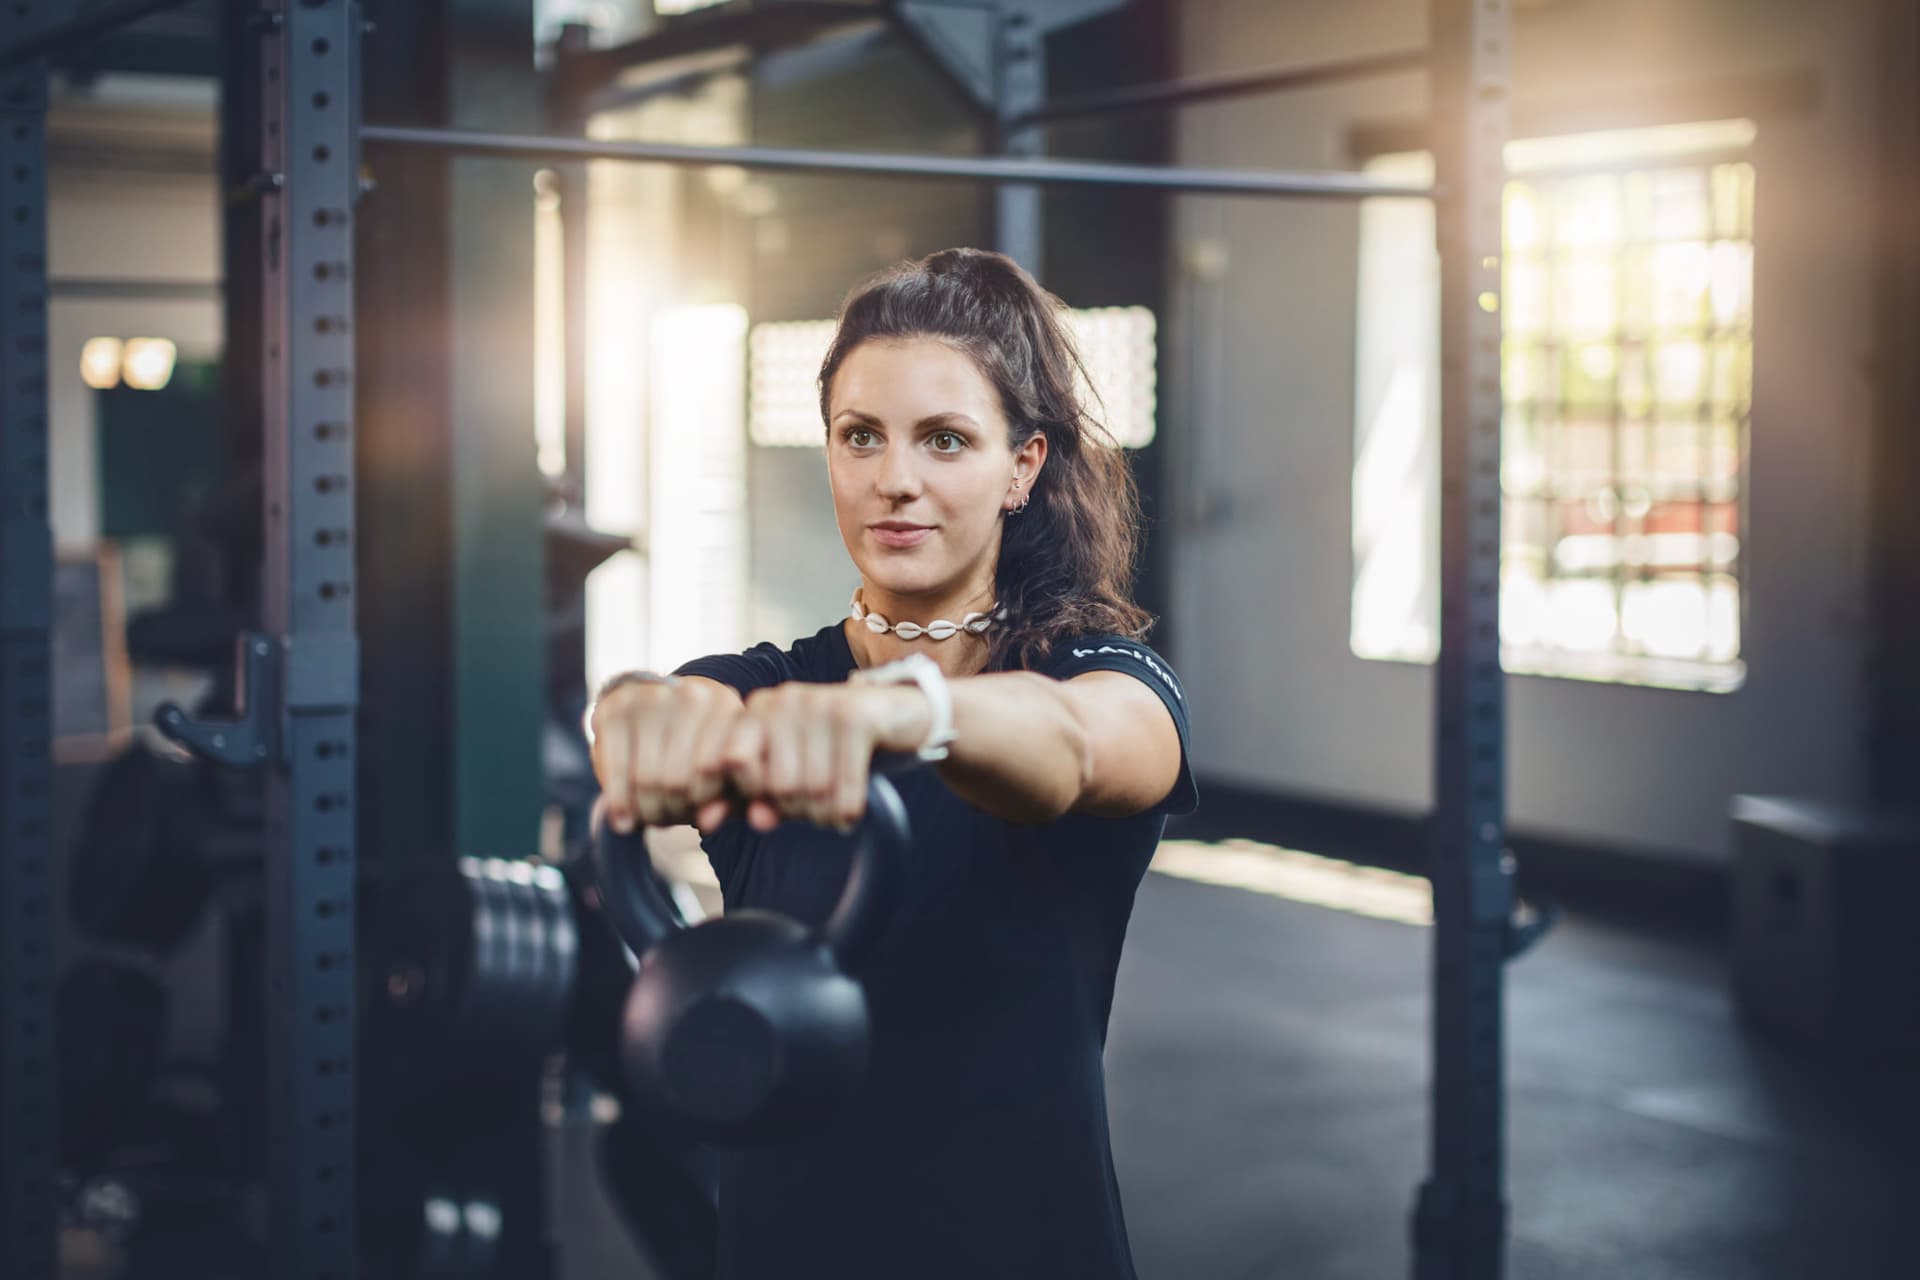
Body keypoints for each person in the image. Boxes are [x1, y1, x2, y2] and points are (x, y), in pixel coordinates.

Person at [588, 247, 1198, 1279]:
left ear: (1023, 465)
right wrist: (636, 715)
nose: (894, 479)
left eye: (946, 439)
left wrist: (907, 710)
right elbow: (665, 706)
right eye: (859, 435)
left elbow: (1074, 744)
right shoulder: (767, 684)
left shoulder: (1103, 673)